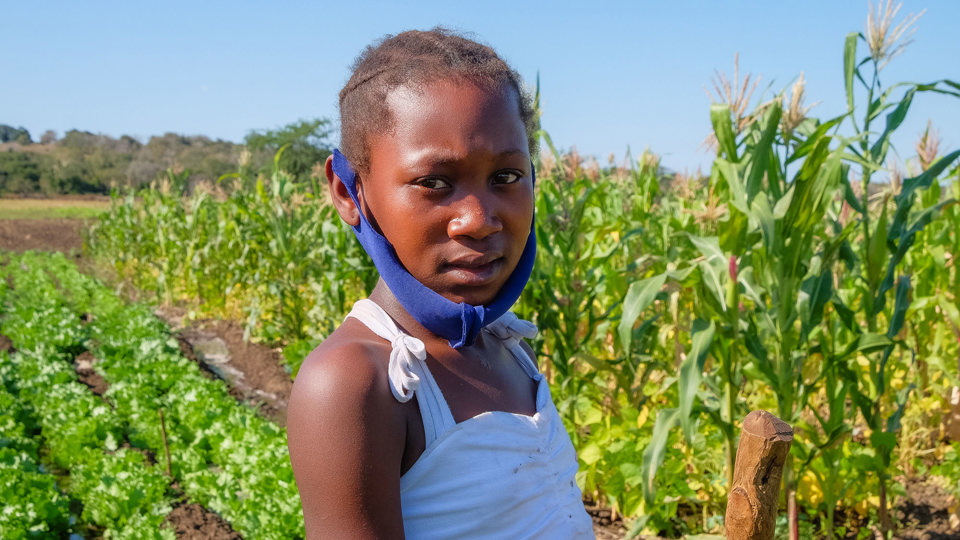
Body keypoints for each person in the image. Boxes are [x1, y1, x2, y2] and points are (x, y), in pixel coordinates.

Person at [287, 28, 594, 539]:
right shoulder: (359, 383)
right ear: (348, 190)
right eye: (434, 183)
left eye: (507, 177)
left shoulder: (504, 343)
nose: (477, 220)